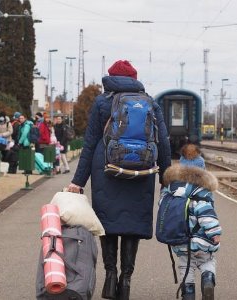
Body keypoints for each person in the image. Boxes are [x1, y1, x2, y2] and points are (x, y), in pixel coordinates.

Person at [68, 60, 171, 300]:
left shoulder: (102, 102)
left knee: (108, 223)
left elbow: (90, 142)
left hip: (106, 169)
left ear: (111, 77)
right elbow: (164, 141)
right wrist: (166, 176)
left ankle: (110, 275)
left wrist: (78, 181)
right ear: (135, 78)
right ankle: (126, 281)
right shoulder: (149, 102)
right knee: (132, 225)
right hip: (141, 171)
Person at [160, 143, 221, 300]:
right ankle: (207, 279)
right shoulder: (202, 192)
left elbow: (163, 206)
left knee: (185, 268)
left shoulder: (172, 190)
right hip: (203, 241)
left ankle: (188, 293)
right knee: (208, 261)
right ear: (202, 170)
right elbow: (207, 214)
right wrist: (214, 233)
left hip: (180, 240)